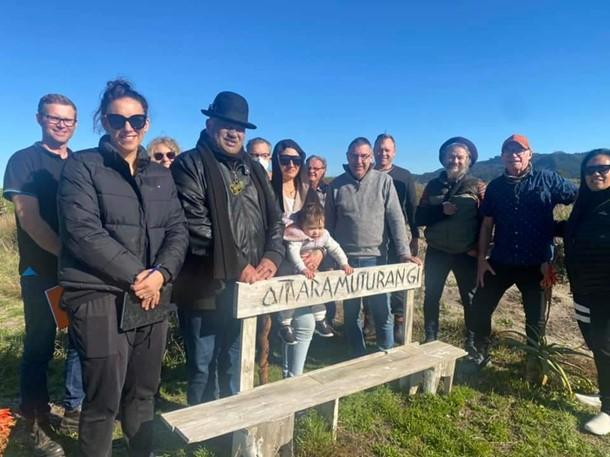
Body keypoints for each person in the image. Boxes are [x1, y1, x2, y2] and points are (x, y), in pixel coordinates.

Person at [57, 79, 188, 456]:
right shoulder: (82, 166)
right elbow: (84, 234)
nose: (127, 127)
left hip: (152, 295)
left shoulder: (161, 174)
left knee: (144, 394)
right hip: (100, 295)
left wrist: (160, 274)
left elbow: (178, 231)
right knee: (103, 402)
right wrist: (138, 276)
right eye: (117, 119)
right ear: (104, 121)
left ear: (146, 123)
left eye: (136, 119)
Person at [171, 91, 284, 402]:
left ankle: (231, 426)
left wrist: (272, 257)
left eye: (240, 127)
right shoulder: (188, 165)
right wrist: (238, 266)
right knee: (203, 365)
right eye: (226, 124)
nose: (234, 132)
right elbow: (196, 226)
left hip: (248, 286)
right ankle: (203, 432)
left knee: (235, 360)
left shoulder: (255, 169)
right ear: (210, 124)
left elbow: (276, 219)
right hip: (204, 287)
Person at [3, 93, 83, 456]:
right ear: (39, 119)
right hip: (41, 270)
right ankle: (35, 418)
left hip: (78, 270)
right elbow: (29, 219)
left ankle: (73, 409)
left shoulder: (81, 164)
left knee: (80, 340)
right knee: (39, 343)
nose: (61, 124)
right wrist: (67, 254)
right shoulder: (23, 161)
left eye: (68, 120)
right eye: (54, 118)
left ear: (75, 124)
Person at [471, 134, 577, 369]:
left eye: (519, 150)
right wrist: (481, 259)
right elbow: (487, 224)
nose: (514, 154)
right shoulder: (496, 187)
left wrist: (568, 228)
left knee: (535, 319)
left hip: (537, 262)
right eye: (508, 151)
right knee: (479, 306)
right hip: (501, 259)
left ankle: (533, 361)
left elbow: (579, 196)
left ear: (530, 154)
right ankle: (481, 352)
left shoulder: (548, 179)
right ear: (502, 157)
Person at [326, 137, 421, 357]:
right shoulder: (336, 185)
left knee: (382, 311)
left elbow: (396, 219)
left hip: (377, 259)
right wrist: (329, 260)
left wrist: (405, 254)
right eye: (354, 156)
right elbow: (328, 227)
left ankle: (385, 354)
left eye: (364, 156)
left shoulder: (384, 182)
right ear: (347, 157)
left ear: (370, 157)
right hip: (346, 261)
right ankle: (357, 356)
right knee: (351, 314)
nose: (358, 160)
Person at [415, 137, 485, 351]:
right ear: (444, 159)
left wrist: (480, 251)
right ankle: (430, 338)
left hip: (466, 253)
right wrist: (440, 210)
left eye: (459, 157)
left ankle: (471, 344)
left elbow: (488, 221)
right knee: (432, 296)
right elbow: (419, 217)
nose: (455, 160)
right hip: (437, 251)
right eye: (451, 156)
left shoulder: (478, 186)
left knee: (470, 300)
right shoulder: (433, 185)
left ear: (468, 160)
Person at [563, 149, 610, 435]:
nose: (596, 174)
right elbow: (573, 232)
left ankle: (608, 409)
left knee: (605, 344)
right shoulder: (585, 203)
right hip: (582, 287)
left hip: (607, 289)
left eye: (604, 168)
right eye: (590, 170)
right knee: (593, 340)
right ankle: (604, 388)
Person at [270, 139, 324, 377]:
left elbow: (319, 227)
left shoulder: (308, 191)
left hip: (304, 264)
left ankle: (293, 378)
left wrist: (320, 251)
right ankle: (289, 379)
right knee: (291, 322)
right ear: (276, 160)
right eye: (284, 160)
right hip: (277, 262)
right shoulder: (267, 188)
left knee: (303, 322)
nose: (290, 165)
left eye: (296, 160)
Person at [279, 201, 353, 342]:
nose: (316, 232)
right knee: (291, 299)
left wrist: (344, 263)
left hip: (309, 272)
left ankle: (320, 320)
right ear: (302, 226)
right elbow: (293, 253)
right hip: (291, 271)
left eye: (320, 227)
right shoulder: (296, 236)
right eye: (312, 228)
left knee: (316, 292)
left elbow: (335, 248)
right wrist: (303, 268)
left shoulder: (323, 235)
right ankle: (285, 325)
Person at [373, 133, 420, 344]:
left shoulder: (404, 176)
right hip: (373, 237)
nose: (383, 153)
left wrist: (415, 236)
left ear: (394, 152)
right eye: (380, 149)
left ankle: (399, 321)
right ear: (374, 150)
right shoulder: (366, 173)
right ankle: (369, 320)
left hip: (398, 237)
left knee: (397, 279)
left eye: (387, 149)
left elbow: (412, 208)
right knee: (372, 278)